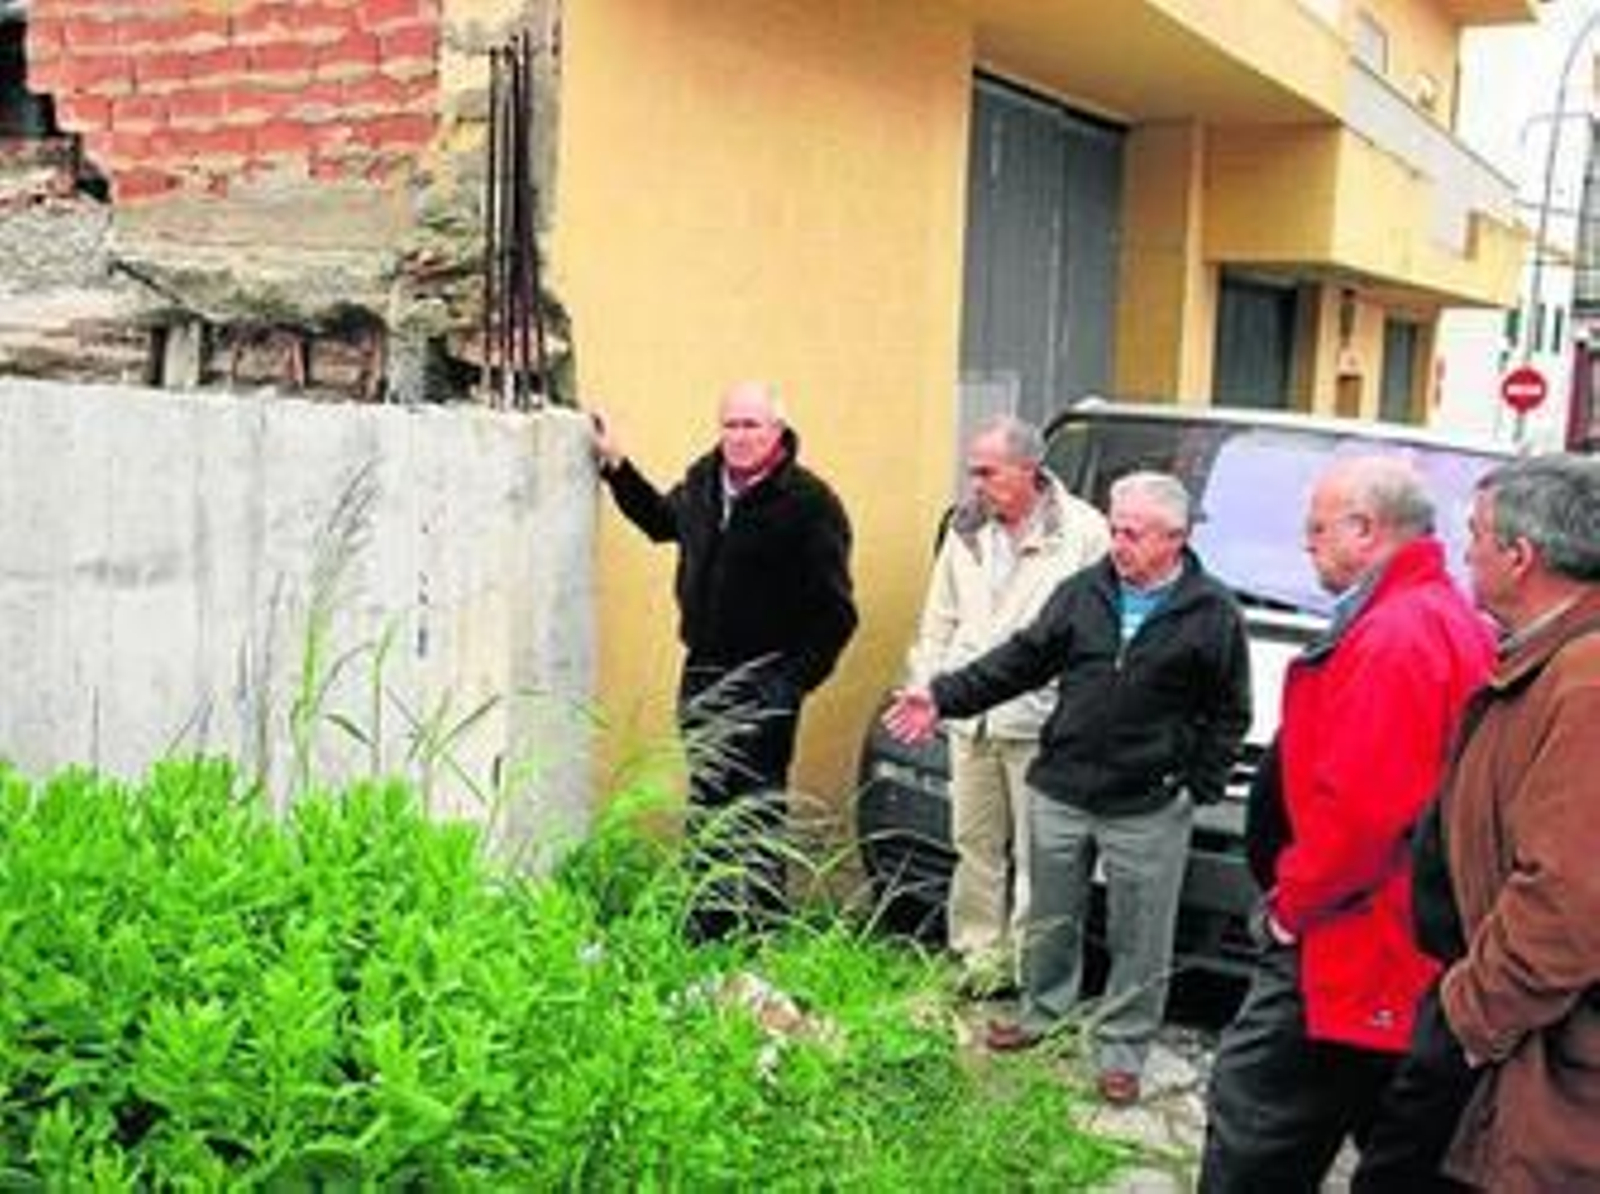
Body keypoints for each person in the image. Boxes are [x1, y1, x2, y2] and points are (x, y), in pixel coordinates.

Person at [885, 471, 1250, 1105]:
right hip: (1060, 788)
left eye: (1134, 534)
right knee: (1052, 917)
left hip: (1149, 802)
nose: (1118, 544)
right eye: (1115, 529)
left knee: (1141, 935)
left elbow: (1229, 711)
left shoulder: (1212, 612)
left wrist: (1196, 784)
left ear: (1176, 539)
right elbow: (1019, 661)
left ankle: (1122, 1047)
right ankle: (1041, 1014)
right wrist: (940, 696)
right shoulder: (1083, 593)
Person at [1200, 456, 1495, 1193]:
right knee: (1371, 1126)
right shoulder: (1433, 615)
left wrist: (1290, 908)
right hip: (1385, 941)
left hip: (1352, 942)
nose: (1307, 544)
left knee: (1258, 1132)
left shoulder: (1399, 633)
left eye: (1317, 528)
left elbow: (1362, 813)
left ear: (1365, 530)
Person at [1352, 454, 1600, 1193]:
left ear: (1521, 558)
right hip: (1498, 1020)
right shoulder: (1549, 658)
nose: (1466, 552)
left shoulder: (1585, 684)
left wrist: (1468, 1019)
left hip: (1521, 1040)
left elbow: (1567, 899)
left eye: (1478, 535)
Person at [591, 381, 858, 941]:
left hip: (767, 676)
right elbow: (663, 522)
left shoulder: (810, 504)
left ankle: (758, 935)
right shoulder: (704, 480)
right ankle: (705, 929)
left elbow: (836, 617)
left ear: (777, 433)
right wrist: (616, 466)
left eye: (750, 426)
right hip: (705, 673)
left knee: (756, 811)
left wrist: (789, 686)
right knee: (708, 802)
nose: (737, 437)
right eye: (730, 425)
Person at [904, 415, 1108, 997]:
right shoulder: (966, 529)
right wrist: (929, 688)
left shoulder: (1084, 534)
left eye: (987, 473)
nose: (975, 485)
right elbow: (938, 619)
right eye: (972, 472)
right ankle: (979, 959)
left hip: (1038, 721)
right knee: (975, 846)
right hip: (969, 717)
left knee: (1040, 858)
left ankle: (1029, 970)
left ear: (1027, 471)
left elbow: (1092, 635)